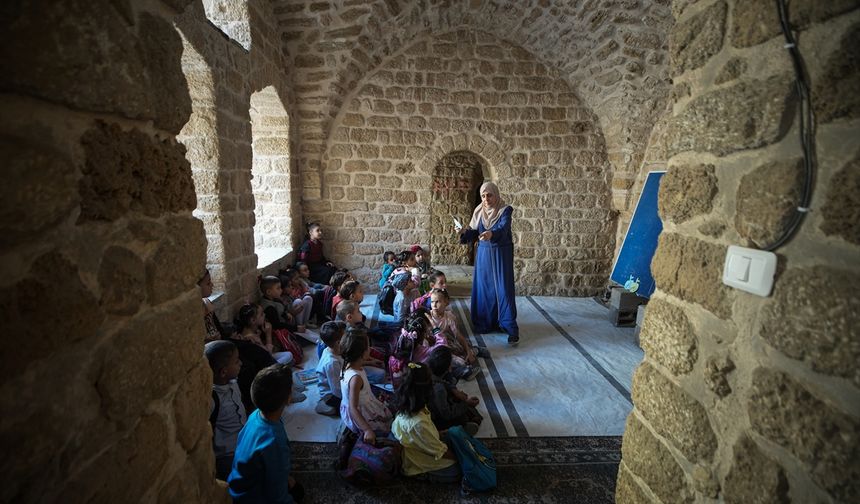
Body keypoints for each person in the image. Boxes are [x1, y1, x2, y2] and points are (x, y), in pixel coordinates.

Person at [228, 363, 304, 503]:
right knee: (299, 493)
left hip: (238, 486)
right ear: (288, 399)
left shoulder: (256, 415)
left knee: (294, 486)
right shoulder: (273, 441)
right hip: (253, 497)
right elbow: (276, 495)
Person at [457, 181, 520, 345]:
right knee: (485, 288)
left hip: (501, 253)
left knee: (503, 289)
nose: (486, 199)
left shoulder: (505, 210)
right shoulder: (479, 211)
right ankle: (485, 323)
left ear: (496, 194)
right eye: (483, 196)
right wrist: (464, 232)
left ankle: (509, 326)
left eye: (489, 195)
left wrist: (492, 234)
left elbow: (504, 228)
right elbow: (474, 233)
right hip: (484, 254)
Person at [390, 362, 461, 483]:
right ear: (426, 389)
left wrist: (439, 433)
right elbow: (440, 451)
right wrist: (460, 458)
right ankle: (420, 473)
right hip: (416, 460)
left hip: (418, 442)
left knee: (452, 436)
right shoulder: (418, 422)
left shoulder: (409, 407)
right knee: (457, 472)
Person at [339, 327, 392, 442]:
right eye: (368, 347)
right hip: (361, 411)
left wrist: (371, 362)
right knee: (385, 424)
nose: (370, 349)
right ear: (362, 354)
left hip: (353, 402)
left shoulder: (348, 362)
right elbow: (353, 408)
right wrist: (367, 430)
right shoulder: (356, 378)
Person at [205, 340, 247, 480]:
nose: (240, 363)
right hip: (228, 455)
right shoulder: (211, 399)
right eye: (236, 361)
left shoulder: (233, 382)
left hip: (244, 442)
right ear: (223, 372)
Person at [426, 346, 482, 433]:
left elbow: (442, 382)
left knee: (457, 398)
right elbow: (447, 414)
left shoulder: (428, 371)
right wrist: (465, 404)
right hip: (432, 418)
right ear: (448, 368)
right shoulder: (439, 389)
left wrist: (454, 390)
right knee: (462, 416)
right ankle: (457, 430)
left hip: (433, 409)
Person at [315, 321, 345, 416]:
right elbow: (336, 390)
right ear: (338, 342)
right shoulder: (332, 363)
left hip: (340, 381)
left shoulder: (334, 350)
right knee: (353, 407)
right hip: (331, 395)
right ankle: (324, 405)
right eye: (346, 338)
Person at [199, 269, 231, 342]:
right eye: (208, 283)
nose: (212, 285)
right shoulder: (194, 312)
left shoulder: (207, 303)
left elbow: (218, 328)